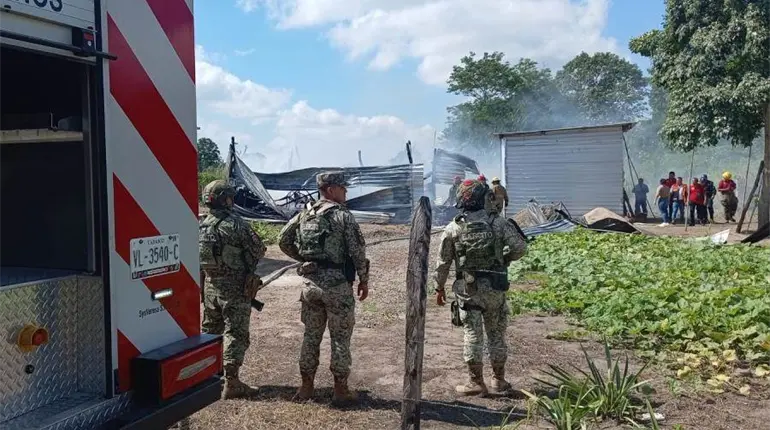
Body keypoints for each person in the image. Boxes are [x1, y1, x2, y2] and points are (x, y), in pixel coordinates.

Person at [277, 171, 370, 406]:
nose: (346, 191)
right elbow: (358, 251)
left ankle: (306, 387)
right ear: (329, 189)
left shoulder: (305, 214)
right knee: (340, 338)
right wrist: (364, 279)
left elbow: (282, 239)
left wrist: (304, 259)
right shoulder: (342, 216)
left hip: (311, 285)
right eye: (342, 187)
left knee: (311, 336)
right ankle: (340, 389)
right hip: (337, 285)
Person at [434, 179, 528, 396]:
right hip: (495, 287)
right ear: (484, 198)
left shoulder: (454, 227)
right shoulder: (498, 223)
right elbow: (521, 248)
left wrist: (439, 288)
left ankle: (476, 382)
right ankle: (499, 380)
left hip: (469, 290)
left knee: (472, 333)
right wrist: (505, 259)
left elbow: (443, 263)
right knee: (496, 333)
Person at [199, 179, 267, 399]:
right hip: (234, 289)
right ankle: (232, 382)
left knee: (210, 331)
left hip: (210, 286)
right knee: (236, 334)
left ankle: (204, 375)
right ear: (226, 199)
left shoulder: (201, 223)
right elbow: (258, 249)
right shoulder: (235, 224)